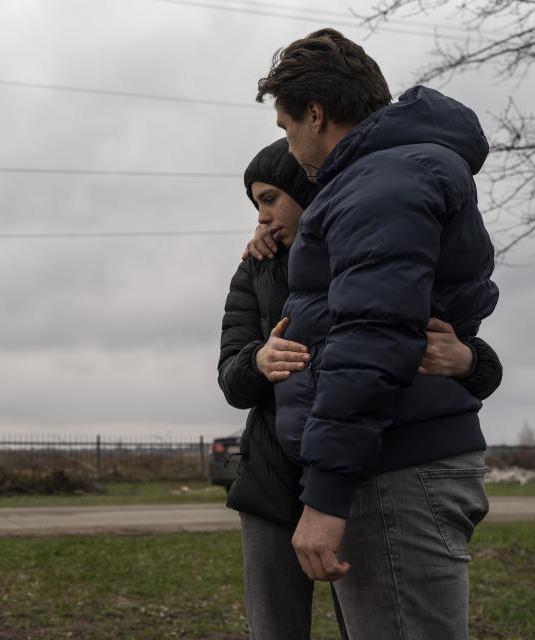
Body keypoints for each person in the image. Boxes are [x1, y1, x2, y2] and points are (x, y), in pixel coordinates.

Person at [251, 28, 499, 639]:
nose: (291, 146)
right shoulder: (387, 175)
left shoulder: (383, 182)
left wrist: (327, 495)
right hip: (395, 459)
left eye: (286, 128)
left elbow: (369, 338)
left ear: (315, 114)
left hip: (395, 472)